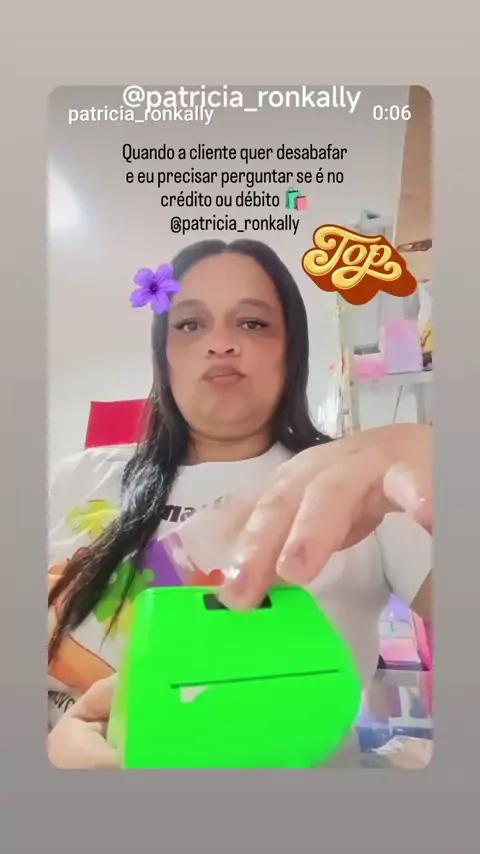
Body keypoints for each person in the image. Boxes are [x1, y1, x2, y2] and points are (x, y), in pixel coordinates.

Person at [47, 238, 432, 769]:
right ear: (163, 354)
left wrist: (435, 455)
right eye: (190, 325)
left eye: (252, 323)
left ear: (291, 350)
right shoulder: (74, 477)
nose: (221, 344)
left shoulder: (362, 489)